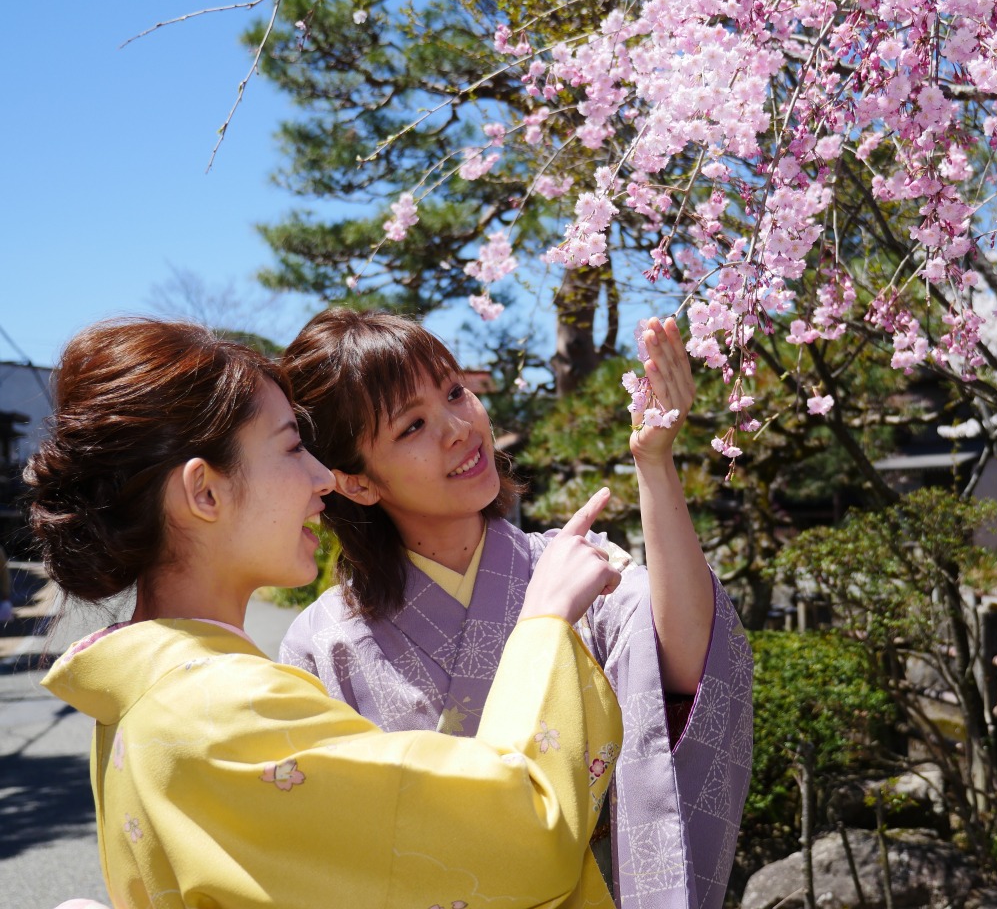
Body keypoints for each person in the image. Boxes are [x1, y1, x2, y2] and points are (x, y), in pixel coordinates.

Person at [29, 319, 627, 909]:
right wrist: (545, 621)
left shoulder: (151, 702)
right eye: (292, 447)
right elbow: (520, 836)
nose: (322, 478)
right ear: (205, 493)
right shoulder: (227, 713)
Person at [279, 308, 753, 909]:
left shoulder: (570, 566)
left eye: (455, 392)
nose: (458, 427)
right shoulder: (323, 643)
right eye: (412, 425)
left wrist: (654, 463)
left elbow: (689, 669)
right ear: (357, 482)